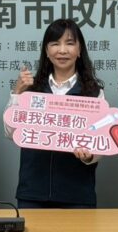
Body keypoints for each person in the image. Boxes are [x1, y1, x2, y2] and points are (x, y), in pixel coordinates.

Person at [6, 19, 105, 208]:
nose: (62, 50)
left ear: (79, 50)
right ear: (46, 50)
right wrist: (17, 93)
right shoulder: (31, 89)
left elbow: (101, 142)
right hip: (33, 193)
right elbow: (11, 133)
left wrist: (88, 156)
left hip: (77, 194)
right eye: (55, 44)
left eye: (69, 43)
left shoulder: (93, 92)